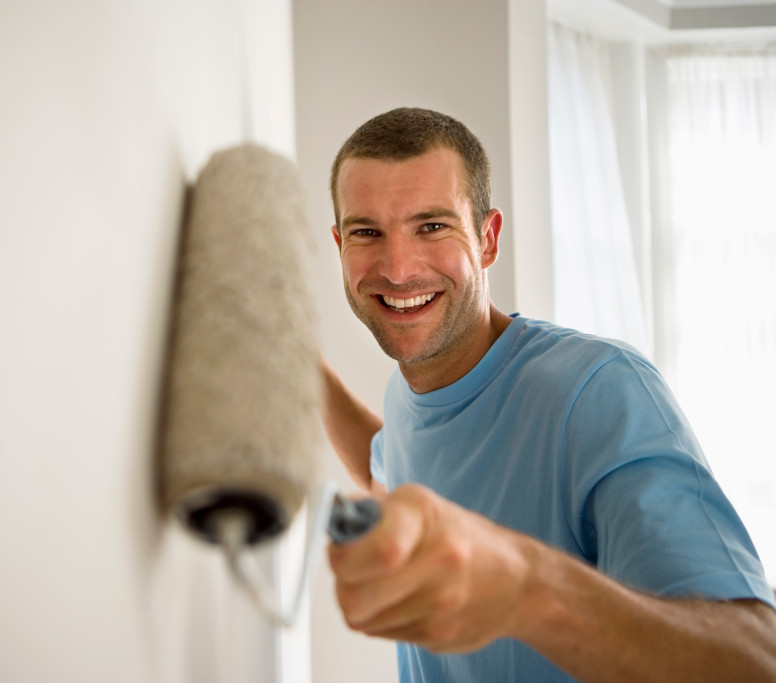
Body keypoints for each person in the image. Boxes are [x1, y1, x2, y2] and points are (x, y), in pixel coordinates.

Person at [321, 107, 776, 682]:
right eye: (367, 233)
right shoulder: (405, 395)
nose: (398, 267)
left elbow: (753, 660)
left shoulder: (598, 392)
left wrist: (522, 586)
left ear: (487, 239)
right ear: (340, 245)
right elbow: (386, 463)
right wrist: (302, 369)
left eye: (432, 227)